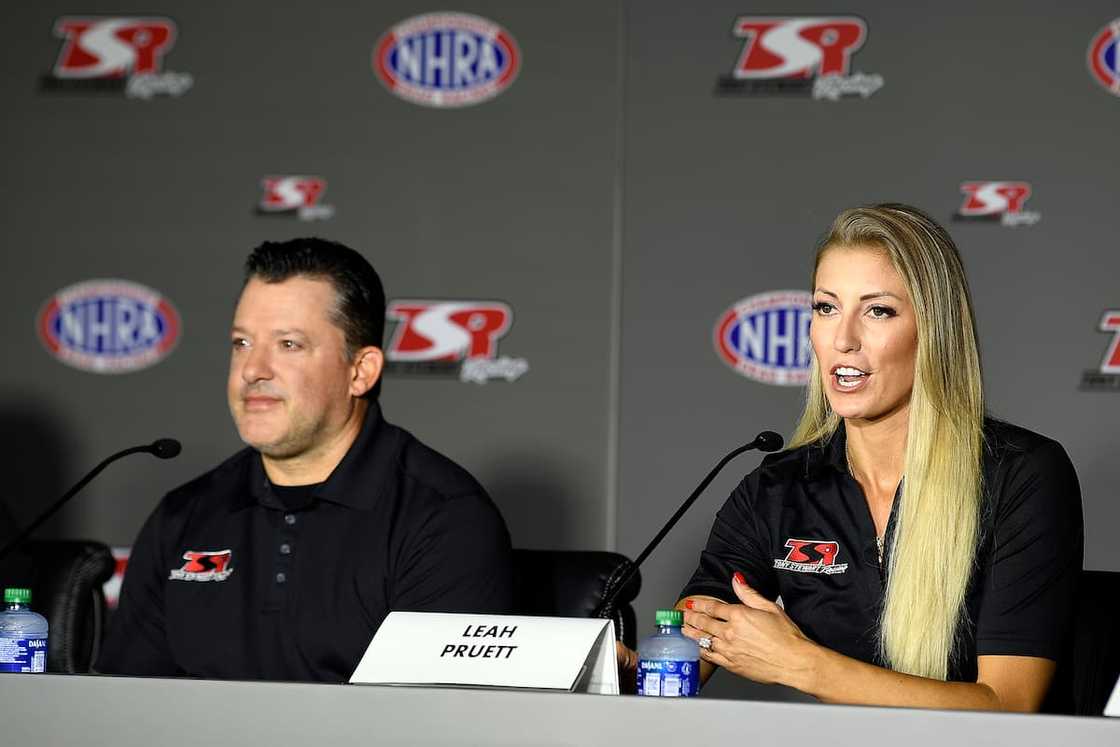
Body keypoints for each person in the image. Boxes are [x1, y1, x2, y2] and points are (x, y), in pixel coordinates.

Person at [619, 204, 1083, 711]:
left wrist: (804, 665)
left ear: (935, 331)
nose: (843, 340)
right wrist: (629, 673)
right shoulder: (778, 488)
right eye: (826, 308)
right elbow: (694, 636)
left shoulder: (1021, 473)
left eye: (878, 311)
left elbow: (1007, 706)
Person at [97, 238, 514, 681]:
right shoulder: (182, 516)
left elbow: (435, 715)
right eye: (242, 342)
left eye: (289, 344)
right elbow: (125, 703)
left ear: (360, 372)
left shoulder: (443, 519)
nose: (253, 369)